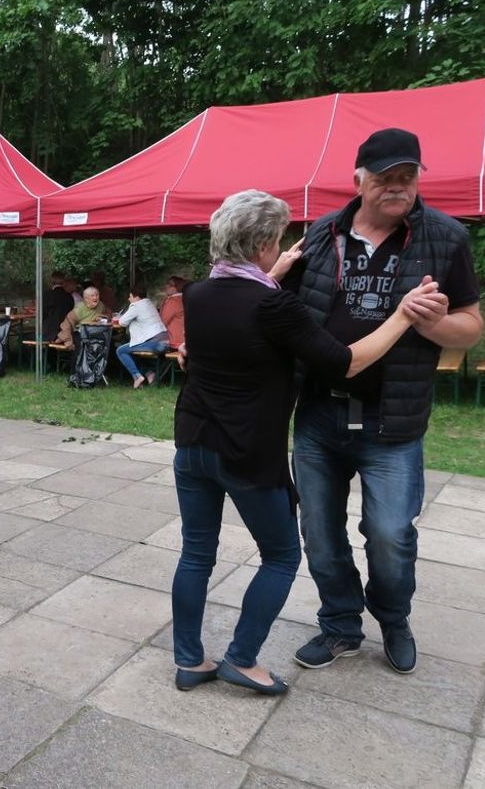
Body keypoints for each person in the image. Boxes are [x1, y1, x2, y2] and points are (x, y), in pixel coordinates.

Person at [171, 189, 442, 695]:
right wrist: (404, 315)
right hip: (245, 454)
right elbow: (347, 361)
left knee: (195, 554)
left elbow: (243, 300)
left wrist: (278, 269)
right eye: (277, 240)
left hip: (192, 445)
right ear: (263, 246)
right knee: (279, 557)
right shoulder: (274, 306)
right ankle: (241, 658)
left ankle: (189, 659)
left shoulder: (199, 294)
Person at [283, 128, 482, 675]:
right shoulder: (322, 235)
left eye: (407, 177)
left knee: (390, 535)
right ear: (358, 180)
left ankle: (394, 619)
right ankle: (340, 625)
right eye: (384, 178)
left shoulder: (445, 238)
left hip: (392, 421)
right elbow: (285, 312)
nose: (397, 188)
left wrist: (436, 322)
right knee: (319, 533)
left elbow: (470, 329)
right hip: (321, 414)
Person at [115, 282, 169, 388]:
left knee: (121, 350)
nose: (128, 299)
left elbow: (122, 322)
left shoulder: (136, 306)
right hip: (165, 341)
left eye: (130, 296)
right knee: (133, 350)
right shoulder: (149, 303)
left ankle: (137, 377)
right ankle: (149, 374)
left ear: (135, 296)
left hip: (154, 342)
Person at [42, 271, 74, 344]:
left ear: (51, 281)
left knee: (25, 336)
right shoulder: (69, 297)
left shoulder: (48, 295)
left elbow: (42, 313)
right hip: (65, 332)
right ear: (63, 282)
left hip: (48, 333)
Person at [160, 275, 187, 349]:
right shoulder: (185, 298)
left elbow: (162, 322)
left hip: (175, 341)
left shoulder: (173, 301)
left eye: (170, 285)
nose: (166, 286)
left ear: (177, 287)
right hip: (185, 339)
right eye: (167, 284)